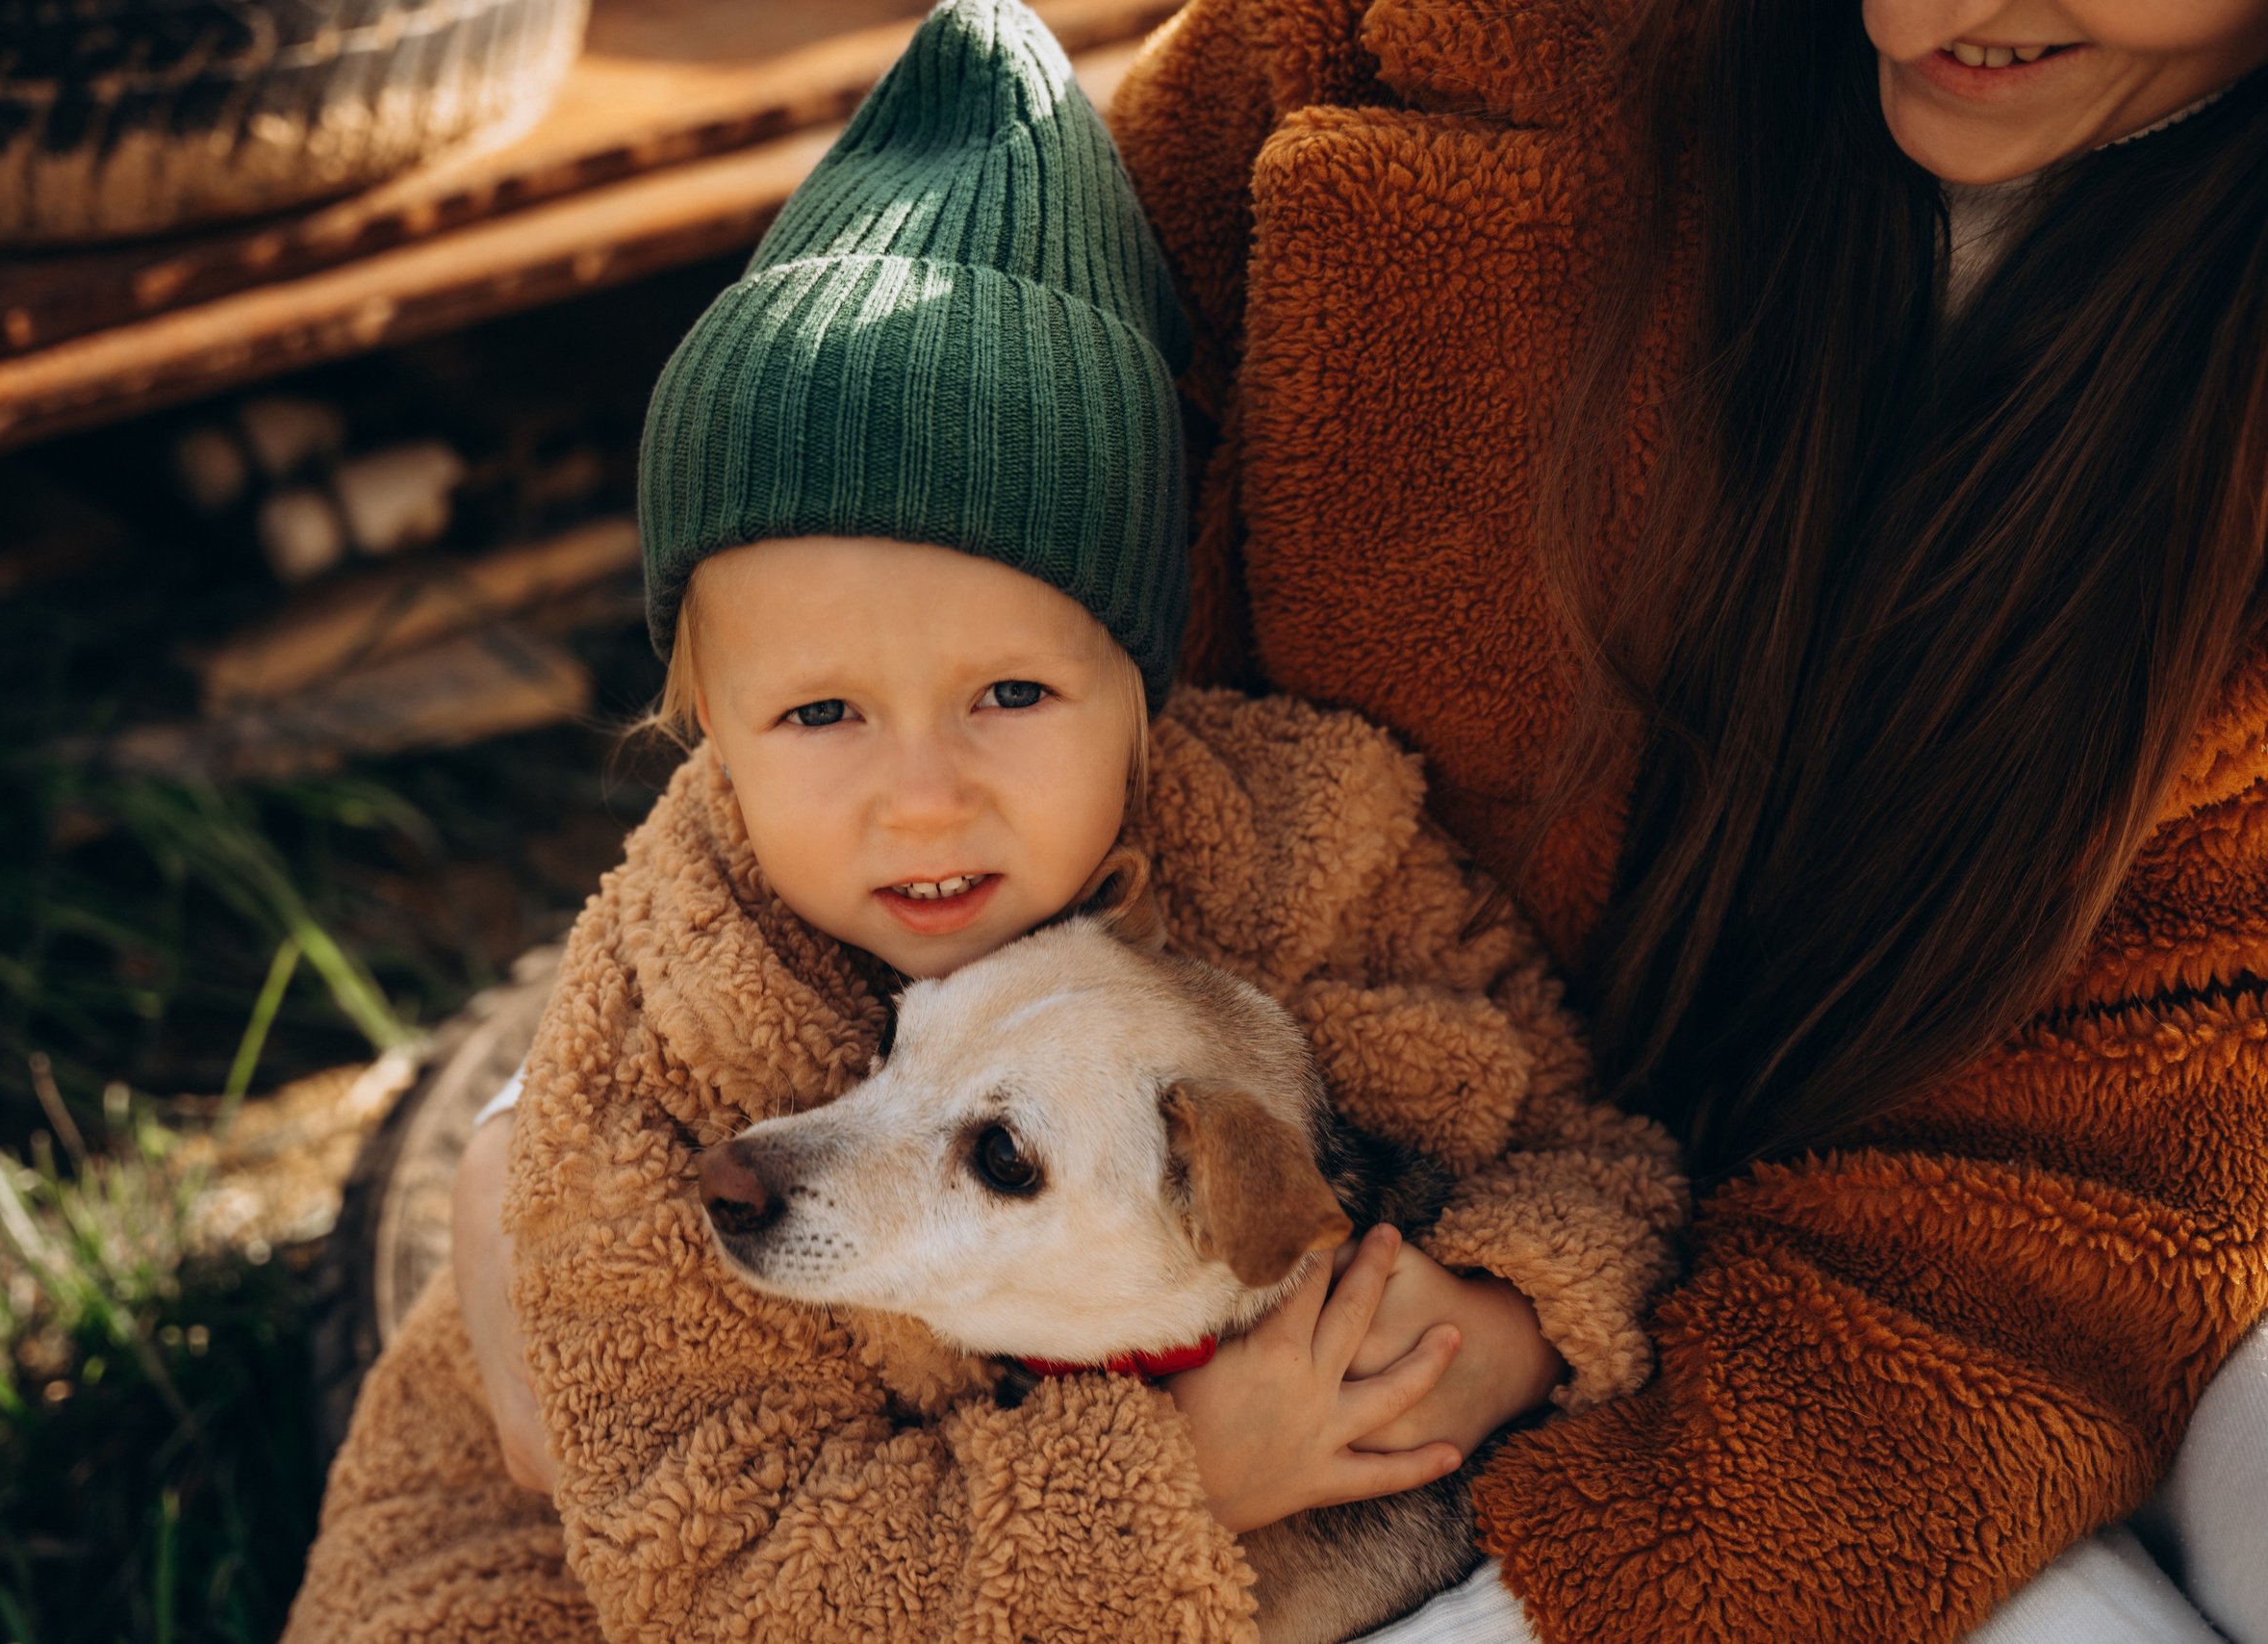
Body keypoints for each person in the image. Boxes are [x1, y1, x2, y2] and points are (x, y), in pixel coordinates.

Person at [281, 5, 1689, 1639]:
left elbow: (1582, 1140)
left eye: (1010, 696)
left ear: (1144, 681)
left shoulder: (1316, 840)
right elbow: (727, 1577)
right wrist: (1184, 1478)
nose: (924, 791)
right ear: (706, 741)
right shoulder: (667, 1059)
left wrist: (1514, 1312)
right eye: (820, 714)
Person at [1098, 0, 2268, 1638]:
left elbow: (2111, 1172)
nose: (1935, 11)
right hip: (1265, 1198)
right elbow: (1018, 348)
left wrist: (1532, 1337)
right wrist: (1126, 1488)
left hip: (1937, 1315)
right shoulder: (1478, 39)